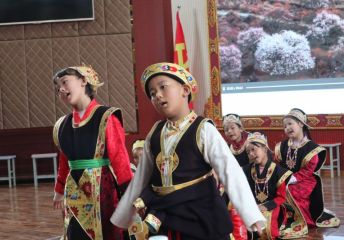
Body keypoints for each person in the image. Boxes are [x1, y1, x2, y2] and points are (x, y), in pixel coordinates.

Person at [110, 62, 265, 240]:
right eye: (152, 94)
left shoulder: (203, 129)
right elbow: (140, 178)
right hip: (164, 216)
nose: (158, 95)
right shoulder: (155, 132)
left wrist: (251, 215)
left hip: (200, 216)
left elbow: (230, 171)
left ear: (184, 90)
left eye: (163, 87)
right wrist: (123, 215)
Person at [52, 65, 133, 240]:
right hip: (73, 189)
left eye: (65, 82)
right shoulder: (62, 125)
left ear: (83, 81)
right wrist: (59, 190)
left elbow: (120, 160)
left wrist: (130, 196)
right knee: (75, 233)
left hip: (103, 190)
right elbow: (65, 161)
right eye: (58, 87)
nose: (61, 89)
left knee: (106, 233)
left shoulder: (106, 116)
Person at [275, 108, 340, 229]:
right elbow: (280, 165)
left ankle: (299, 218)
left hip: (305, 180)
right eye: (284, 126)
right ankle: (280, 218)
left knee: (291, 191)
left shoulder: (311, 148)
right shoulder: (282, 146)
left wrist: (293, 178)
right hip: (286, 177)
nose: (287, 128)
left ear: (300, 124)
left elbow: (308, 170)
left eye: (290, 124)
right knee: (275, 188)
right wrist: (282, 177)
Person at [243, 132, 307, 239]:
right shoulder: (247, 170)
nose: (251, 154)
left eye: (253, 149)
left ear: (264, 148)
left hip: (272, 207)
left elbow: (281, 198)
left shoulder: (279, 172)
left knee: (267, 230)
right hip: (254, 206)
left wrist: (265, 206)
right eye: (248, 152)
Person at [222, 114, 250, 240]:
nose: (229, 131)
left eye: (232, 128)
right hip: (233, 182)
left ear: (241, 128)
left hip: (251, 181)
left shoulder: (251, 142)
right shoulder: (228, 147)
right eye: (226, 129)